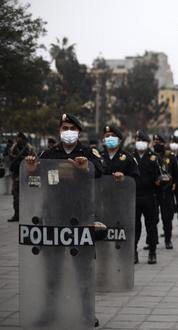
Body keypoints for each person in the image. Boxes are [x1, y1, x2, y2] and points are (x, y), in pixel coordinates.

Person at [24, 113, 104, 327]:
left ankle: (88, 313)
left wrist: (86, 167)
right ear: (59, 130)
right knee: (52, 270)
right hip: (54, 217)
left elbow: (101, 170)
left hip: (80, 217)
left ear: (78, 131)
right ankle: (49, 311)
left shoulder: (88, 152)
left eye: (71, 127)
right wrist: (31, 170)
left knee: (83, 269)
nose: (67, 131)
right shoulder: (49, 153)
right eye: (64, 127)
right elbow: (33, 180)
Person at [133, 131, 161, 264]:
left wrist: (160, 182)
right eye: (137, 139)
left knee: (151, 225)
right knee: (134, 225)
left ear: (147, 142)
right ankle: (133, 251)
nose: (139, 142)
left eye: (142, 140)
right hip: (134, 196)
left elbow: (162, 175)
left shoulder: (154, 158)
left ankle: (152, 251)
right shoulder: (130, 156)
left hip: (150, 196)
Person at [153, 135, 178, 249]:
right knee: (152, 219)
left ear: (163, 144)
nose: (156, 143)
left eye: (158, 141)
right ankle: (152, 242)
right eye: (154, 142)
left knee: (167, 217)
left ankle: (168, 240)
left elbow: (177, 173)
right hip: (154, 192)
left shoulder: (170, 156)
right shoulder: (151, 156)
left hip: (166, 191)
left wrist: (174, 183)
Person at [7, 132, 35, 222]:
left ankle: (28, 214)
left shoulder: (29, 148)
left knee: (28, 196)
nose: (18, 140)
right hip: (16, 175)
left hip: (27, 175)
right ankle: (17, 215)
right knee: (16, 196)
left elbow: (35, 159)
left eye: (20, 138)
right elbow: (10, 158)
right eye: (17, 138)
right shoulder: (13, 148)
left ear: (24, 139)